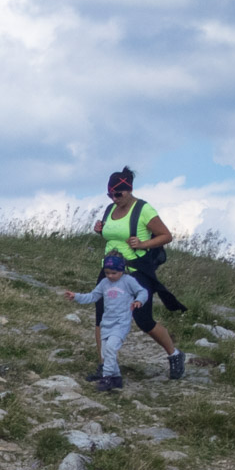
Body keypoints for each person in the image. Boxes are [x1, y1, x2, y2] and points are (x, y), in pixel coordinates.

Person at [90, 167, 186, 381]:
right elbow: (112, 235)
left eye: (118, 194)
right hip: (109, 271)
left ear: (129, 189)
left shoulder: (144, 210)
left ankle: (175, 354)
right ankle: (104, 366)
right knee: (101, 318)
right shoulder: (109, 210)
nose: (114, 198)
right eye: (110, 195)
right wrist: (100, 231)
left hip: (136, 272)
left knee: (143, 319)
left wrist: (143, 243)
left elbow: (166, 235)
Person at [65, 255, 148, 392]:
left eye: (113, 273)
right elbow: (93, 296)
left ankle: (106, 377)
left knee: (111, 348)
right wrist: (77, 296)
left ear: (121, 270)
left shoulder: (128, 281)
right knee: (105, 352)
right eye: (107, 272)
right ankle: (116, 378)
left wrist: (139, 300)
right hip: (106, 323)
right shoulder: (104, 283)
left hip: (121, 323)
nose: (110, 276)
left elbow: (142, 291)